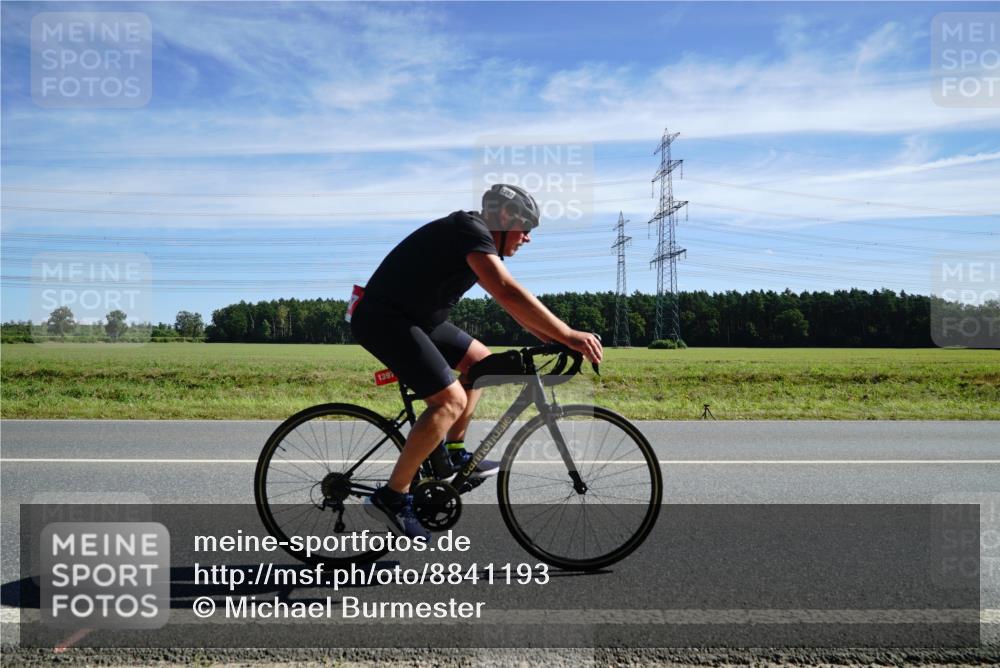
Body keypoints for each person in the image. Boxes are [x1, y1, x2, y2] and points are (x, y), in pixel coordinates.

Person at [351, 184, 603, 539]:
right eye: (526, 228)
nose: (528, 238)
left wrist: (551, 337)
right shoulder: (470, 231)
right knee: (449, 400)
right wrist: (569, 334)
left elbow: (510, 304)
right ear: (504, 219)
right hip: (384, 319)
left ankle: (452, 453)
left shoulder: (476, 239)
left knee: (480, 363)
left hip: (417, 318)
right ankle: (393, 496)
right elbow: (506, 290)